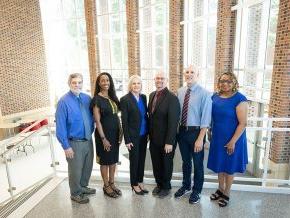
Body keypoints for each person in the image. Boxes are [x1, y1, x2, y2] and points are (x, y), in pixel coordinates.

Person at [207, 72, 248, 207]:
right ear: (219, 82)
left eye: (229, 81)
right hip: (218, 137)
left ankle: (227, 193)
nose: (225, 84)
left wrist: (232, 141)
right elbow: (211, 117)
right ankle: (220, 189)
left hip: (233, 139)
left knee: (229, 167)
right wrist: (209, 130)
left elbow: (243, 123)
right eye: (223, 81)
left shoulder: (240, 99)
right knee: (220, 165)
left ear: (234, 83)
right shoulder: (214, 97)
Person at [55, 73, 95, 204]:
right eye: (74, 82)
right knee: (75, 170)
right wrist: (66, 146)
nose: (77, 85)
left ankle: (83, 187)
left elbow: (92, 117)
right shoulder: (63, 102)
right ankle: (75, 193)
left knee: (87, 166)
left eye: (79, 82)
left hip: (88, 140)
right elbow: (60, 126)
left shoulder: (87, 98)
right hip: (74, 142)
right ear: (69, 84)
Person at [174, 65, 212, 204]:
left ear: (198, 75)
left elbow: (206, 119)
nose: (189, 74)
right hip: (182, 132)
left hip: (197, 133)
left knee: (198, 164)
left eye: (192, 72)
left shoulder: (205, 94)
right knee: (185, 162)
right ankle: (186, 186)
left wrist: (200, 139)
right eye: (187, 72)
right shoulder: (180, 91)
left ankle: (197, 190)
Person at [148, 71, 180, 198]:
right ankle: (159, 184)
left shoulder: (172, 98)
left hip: (167, 140)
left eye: (162, 78)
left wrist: (169, 142)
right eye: (157, 78)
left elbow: (173, 122)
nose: (159, 80)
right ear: (154, 80)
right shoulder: (151, 95)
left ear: (166, 80)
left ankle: (166, 186)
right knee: (156, 163)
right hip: (154, 138)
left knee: (166, 163)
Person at [91, 72, 122, 198]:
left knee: (113, 160)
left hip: (115, 135)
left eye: (108, 80)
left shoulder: (113, 97)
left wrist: (121, 133)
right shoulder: (96, 100)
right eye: (103, 80)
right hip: (103, 136)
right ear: (99, 83)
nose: (105, 83)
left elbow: (117, 116)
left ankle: (112, 183)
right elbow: (97, 121)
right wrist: (103, 139)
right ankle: (106, 186)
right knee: (105, 161)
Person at [120, 75, 149, 195]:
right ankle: (134, 184)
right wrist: (127, 140)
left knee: (142, 160)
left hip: (144, 134)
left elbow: (145, 116)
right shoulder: (125, 99)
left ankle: (140, 181)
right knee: (134, 160)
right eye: (134, 83)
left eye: (138, 83)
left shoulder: (143, 97)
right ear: (130, 85)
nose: (136, 85)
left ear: (141, 85)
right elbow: (124, 121)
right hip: (133, 136)